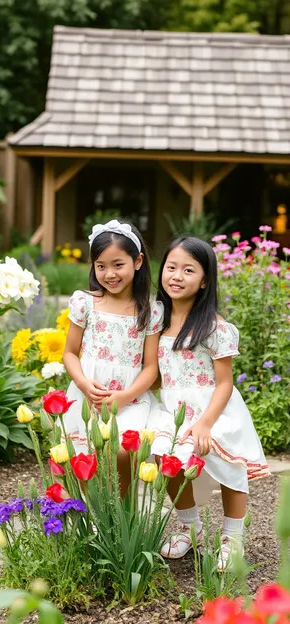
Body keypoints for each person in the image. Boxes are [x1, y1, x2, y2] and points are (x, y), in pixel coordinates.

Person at [149, 236, 269, 571]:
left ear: (204, 280)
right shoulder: (157, 322)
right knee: (166, 458)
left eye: (188, 270)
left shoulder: (214, 328)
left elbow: (225, 383)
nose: (176, 275)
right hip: (173, 411)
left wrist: (204, 423)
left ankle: (233, 538)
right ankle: (191, 528)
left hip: (214, 408)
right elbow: (160, 374)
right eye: (171, 267)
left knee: (231, 464)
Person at [63, 219, 162, 496]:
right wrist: (83, 384)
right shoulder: (86, 302)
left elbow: (151, 366)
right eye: (101, 266)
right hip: (88, 395)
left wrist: (126, 395)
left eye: (118, 265)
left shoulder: (150, 310)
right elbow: (70, 353)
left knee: (121, 451)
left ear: (138, 261)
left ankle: (121, 515)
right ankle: (88, 517)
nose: (109, 274)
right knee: (83, 455)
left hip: (130, 398)